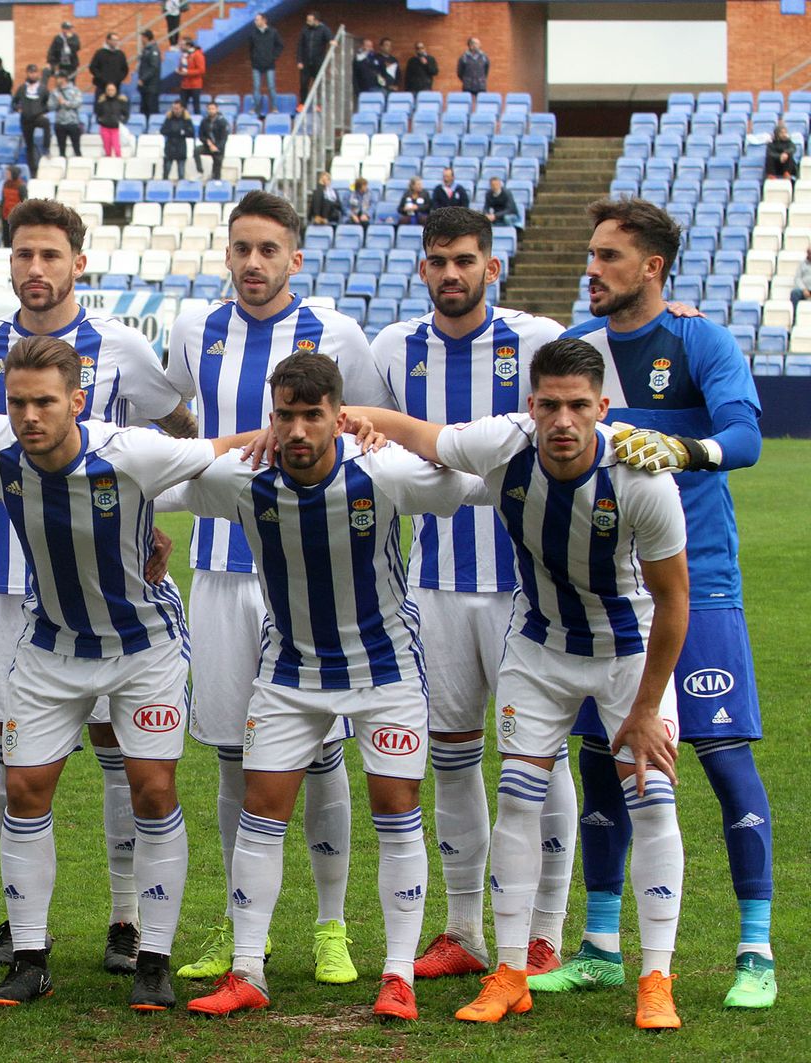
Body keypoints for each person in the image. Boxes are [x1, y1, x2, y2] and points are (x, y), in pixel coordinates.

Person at [353, 336, 690, 1031]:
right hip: (539, 647)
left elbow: (674, 598)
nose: (562, 421)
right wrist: (338, 416)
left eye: (577, 406)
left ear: (601, 407)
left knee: (652, 799)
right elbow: (419, 434)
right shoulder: (503, 445)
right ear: (529, 405)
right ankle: (510, 971)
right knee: (517, 797)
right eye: (549, 405)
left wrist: (649, 708)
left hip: (629, 654)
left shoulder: (642, 477)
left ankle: (657, 975)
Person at [170, 353, 487, 1023]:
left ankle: (397, 974)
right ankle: (248, 968)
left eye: (312, 415)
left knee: (397, 810)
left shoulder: (383, 470)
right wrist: (228, 446)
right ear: (272, 418)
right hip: (290, 673)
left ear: (338, 417)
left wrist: (393, 429)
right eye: (284, 415)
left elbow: (468, 477)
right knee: (261, 810)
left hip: (385, 670)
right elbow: (158, 473)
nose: (297, 430)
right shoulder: (243, 479)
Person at [0, 336, 241, 1012]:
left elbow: (218, 450)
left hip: (145, 645)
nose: (29, 415)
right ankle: (28, 958)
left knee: (151, 787)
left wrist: (300, 425)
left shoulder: (131, 451)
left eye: (45, 401)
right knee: (23, 789)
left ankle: (154, 958)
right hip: (51, 643)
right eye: (17, 402)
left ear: (77, 400)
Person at [0, 198, 198, 978]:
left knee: (124, 754)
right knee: (13, 760)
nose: (36, 269)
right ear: (9, 262)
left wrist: (148, 511)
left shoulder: (121, 345)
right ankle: (18, 927)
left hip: (114, 581)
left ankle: (127, 916)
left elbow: (176, 428)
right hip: (11, 580)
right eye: (23, 255)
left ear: (77, 263)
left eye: (51, 255)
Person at [541, 197, 775, 1011]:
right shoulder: (584, 355)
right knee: (603, 760)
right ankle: (601, 944)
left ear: (652, 269)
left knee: (719, 755)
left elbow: (746, 436)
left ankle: (756, 949)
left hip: (697, 581)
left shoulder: (698, 338)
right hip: (607, 592)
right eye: (591, 254)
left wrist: (682, 447)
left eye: (608, 256)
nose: (591, 269)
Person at [161, 190, 394, 987]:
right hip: (224, 565)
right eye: (241, 249)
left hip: (310, 570)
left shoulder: (339, 333)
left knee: (323, 751)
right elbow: (177, 429)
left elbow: (365, 422)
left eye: (269, 250)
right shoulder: (194, 330)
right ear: (226, 254)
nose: (253, 263)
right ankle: (238, 925)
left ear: (296, 256)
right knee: (233, 753)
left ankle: (332, 927)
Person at [370, 208, 570, 983]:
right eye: (437, 261)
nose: (450, 273)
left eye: (464, 260)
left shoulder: (537, 339)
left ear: (492, 267)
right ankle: (462, 929)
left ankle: (544, 933)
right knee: (450, 758)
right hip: (435, 586)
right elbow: (368, 443)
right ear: (423, 270)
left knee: (539, 760)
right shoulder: (394, 348)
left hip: (529, 586)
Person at [13, 65, 52, 174]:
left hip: (37, 117)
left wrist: (43, 111)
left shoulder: (42, 88)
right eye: (30, 72)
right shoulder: (22, 88)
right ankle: (33, 170)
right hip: (25, 119)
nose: (33, 75)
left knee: (46, 123)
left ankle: (46, 148)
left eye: (35, 72)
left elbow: (48, 102)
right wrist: (18, 108)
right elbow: (14, 102)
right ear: (27, 73)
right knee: (29, 146)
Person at [248, 14, 282, 118]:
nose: (255, 22)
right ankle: (255, 108)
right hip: (256, 65)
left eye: (257, 20)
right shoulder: (253, 34)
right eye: (255, 20)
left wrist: (273, 56)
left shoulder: (273, 32)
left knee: (271, 87)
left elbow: (280, 45)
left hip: (269, 64)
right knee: (256, 87)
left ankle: (275, 108)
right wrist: (253, 58)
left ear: (264, 20)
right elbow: (250, 48)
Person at [297, 13, 333, 103]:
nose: (307, 22)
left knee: (319, 85)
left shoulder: (324, 29)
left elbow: (330, 38)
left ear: (316, 20)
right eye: (307, 20)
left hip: (318, 63)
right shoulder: (305, 30)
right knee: (303, 84)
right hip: (305, 63)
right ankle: (302, 104)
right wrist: (299, 61)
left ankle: (318, 104)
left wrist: (332, 41)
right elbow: (300, 46)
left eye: (309, 20)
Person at [51, 74, 84, 159]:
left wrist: (65, 103)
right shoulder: (55, 92)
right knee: (61, 150)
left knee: (77, 148)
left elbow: (78, 103)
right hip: (59, 122)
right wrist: (57, 103)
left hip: (73, 122)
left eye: (58, 78)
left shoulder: (75, 90)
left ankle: (79, 166)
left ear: (64, 79)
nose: (57, 80)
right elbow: (50, 106)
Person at [161, 102, 196, 181]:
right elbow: (163, 130)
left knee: (181, 173)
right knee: (166, 172)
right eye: (174, 108)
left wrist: (181, 132)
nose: (175, 110)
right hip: (169, 147)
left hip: (181, 147)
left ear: (182, 109)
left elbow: (191, 133)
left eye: (177, 108)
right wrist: (177, 132)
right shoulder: (168, 119)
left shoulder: (186, 120)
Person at [197, 101, 230, 181]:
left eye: (213, 109)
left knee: (217, 166)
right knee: (196, 150)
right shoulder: (204, 121)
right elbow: (201, 136)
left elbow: (224, 138)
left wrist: (216, 147)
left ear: (216, 109)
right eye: (209, 109)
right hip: (208, 146)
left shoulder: (223, 122)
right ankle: (200, 170)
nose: (211, 110)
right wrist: (207, 142)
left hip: (219, 148)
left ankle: (215, 181)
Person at [96, 83, 130, 159]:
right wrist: (101, 121)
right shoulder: (102, 102)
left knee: (117, 148)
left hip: (116, 128)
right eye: (109, 90)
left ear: (115, 90)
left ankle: (119, 164)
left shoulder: (120, 102)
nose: (110, 91)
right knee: (107, 149)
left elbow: (126, 114)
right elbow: (98, 114)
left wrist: (122, 121)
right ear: (106, 91)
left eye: (112, 90)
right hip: (105, 128)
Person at [137, 31, 162, 119]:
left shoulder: (153, 50)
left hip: (151, 86)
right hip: (145, 87)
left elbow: (154, 68)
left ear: (146, 38)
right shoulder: (146, 49)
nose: (141, 40)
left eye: (142, 37)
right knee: (144, 110)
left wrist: (143, 79)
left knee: (151, 110)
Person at [178, 37, 205, 115]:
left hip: (195, 85)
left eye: (182, 45)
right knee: (182, 107)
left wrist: (187, 72)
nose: (180, 46)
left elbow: (201, 70)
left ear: (188, 45)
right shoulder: (183, 55)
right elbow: (182, 67)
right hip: (184, 85)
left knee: (196, 107)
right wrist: (179, 70)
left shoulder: (198, 54)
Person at [0, 165, 25, 248]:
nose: (6, 175)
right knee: (6, 233)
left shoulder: (21, 186)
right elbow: (3, 199)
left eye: (8, 173)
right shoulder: (5, 184)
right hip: (5, 213)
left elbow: (23, 201)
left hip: (16, 215)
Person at [352, 38, 379, 105]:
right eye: (368, 46)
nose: (370, 48)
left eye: (371, 46)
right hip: (363, 87)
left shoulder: (373, 58)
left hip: (375, 86)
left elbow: (377, 68)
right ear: (362, 46)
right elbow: (356, 72)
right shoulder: (358, 58)